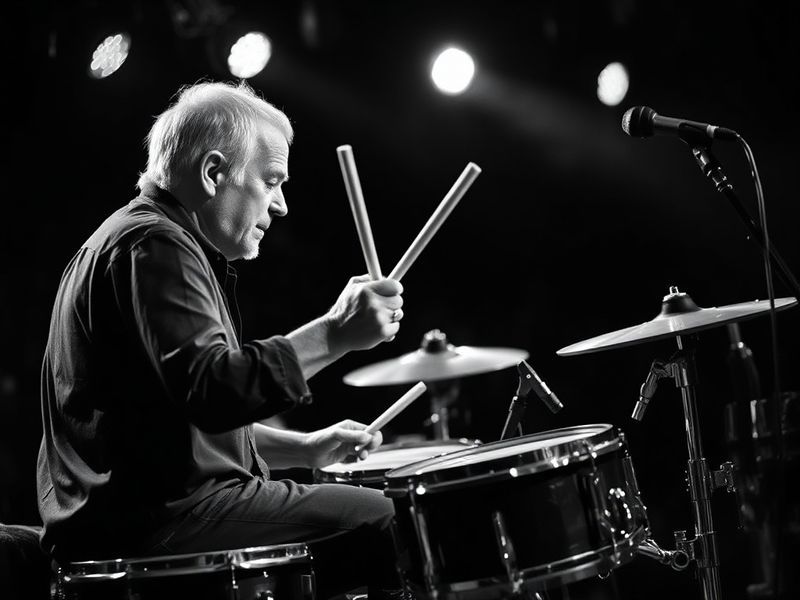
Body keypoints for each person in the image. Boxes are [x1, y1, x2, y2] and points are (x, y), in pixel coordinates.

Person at [36, 80, 408, 598]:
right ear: (214, 173)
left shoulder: (132, 237)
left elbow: (178, 427)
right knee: (390, 517)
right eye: (272, 180)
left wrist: (306, 448)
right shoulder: (156, 243)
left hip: (138, 515)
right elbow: (215, 391)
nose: (280, 206)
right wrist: (336, 332)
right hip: (154, 524)